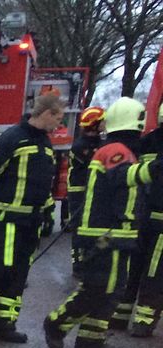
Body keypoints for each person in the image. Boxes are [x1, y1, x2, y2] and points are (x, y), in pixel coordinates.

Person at [43, 97, 163, 348]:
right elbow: (125, 177)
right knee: (97, 287)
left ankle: (91, 340)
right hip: (104, 233)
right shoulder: (114, 151)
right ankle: (56, 323)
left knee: (113, 290)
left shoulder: (123, 150)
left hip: (117, 234)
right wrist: (156, 166)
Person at [0, 92, 65, 343]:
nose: (59, 124)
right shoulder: (12, 139)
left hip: (31, 222)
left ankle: (2, 325)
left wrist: (48, 209)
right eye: (58, 118)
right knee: (1, 270)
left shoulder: (44, 143)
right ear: (47, 113)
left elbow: (42, 183)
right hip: (7, 220)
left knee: (18, 276)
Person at [114, 103, 163, 337]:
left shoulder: (146, 141)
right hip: (160, 221)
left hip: (140, 216)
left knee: (134, 266)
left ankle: (120, 316)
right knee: (154, 272)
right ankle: (144, 322)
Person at [66, 106, 105, 270]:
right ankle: (77, 263)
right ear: (94, 124)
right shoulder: (80, 146)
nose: (105, 123)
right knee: (78, 228)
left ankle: (89, 259)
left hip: (91, 190)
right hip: (78, 192)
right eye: (102, 121)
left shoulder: (98, 143)